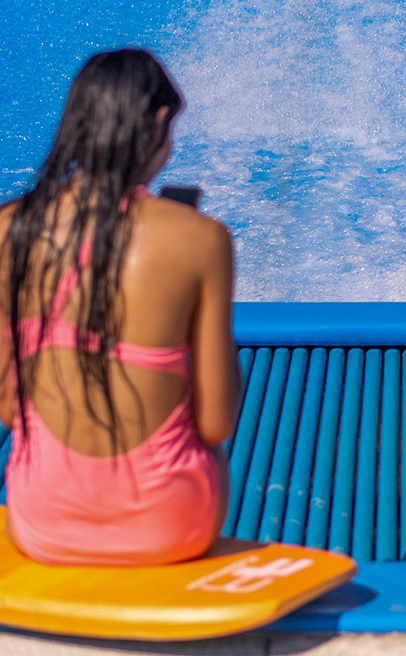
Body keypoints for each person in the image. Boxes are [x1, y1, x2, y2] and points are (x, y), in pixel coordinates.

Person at [0, 50, 239, 565]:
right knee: (203, 444)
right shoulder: (201, 240)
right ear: (157, 123)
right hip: (167, 529)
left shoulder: (7, 230)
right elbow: (217, 421)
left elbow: (6, 405)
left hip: (40, 524)